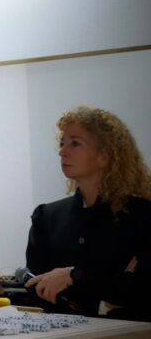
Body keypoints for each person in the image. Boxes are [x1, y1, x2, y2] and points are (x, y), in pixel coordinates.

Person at [25, 106, 151, 321]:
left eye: (75, 143)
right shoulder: (47, 217)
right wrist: (106, 297)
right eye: (62, 143)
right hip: (65, 335)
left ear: (105, 156)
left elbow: (141, 290)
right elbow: (39, 287)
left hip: (131, 337)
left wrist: (72, 276)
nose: (62, 151)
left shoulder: (142, 215)